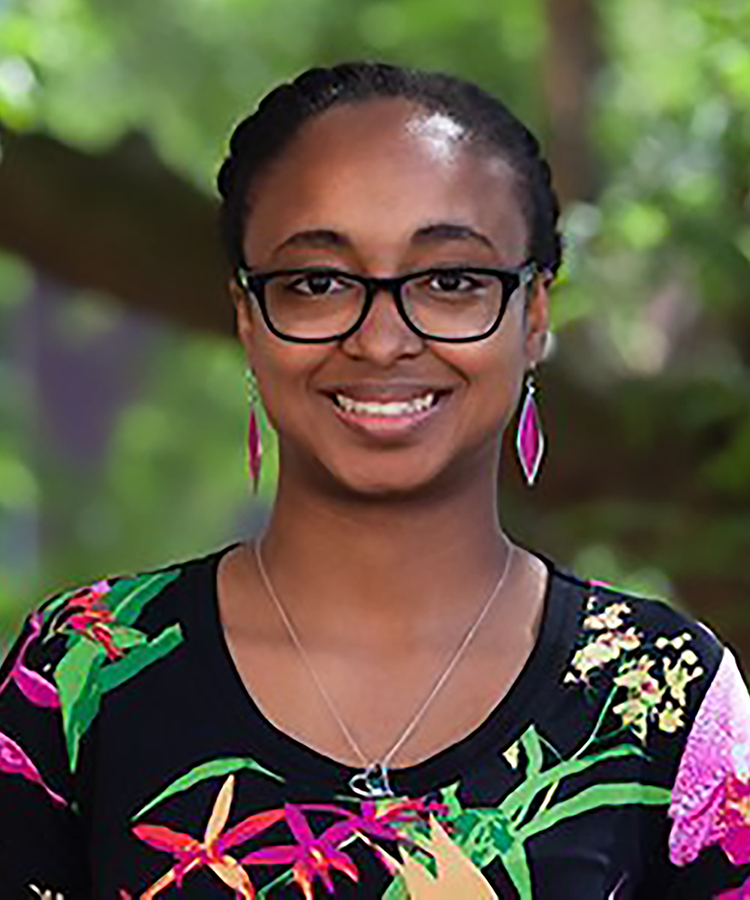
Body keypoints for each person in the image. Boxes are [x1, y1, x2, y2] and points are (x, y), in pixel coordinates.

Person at [0, 61, 748, 900]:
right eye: (317, 283)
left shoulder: (663, 691)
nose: (382, 340)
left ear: (534, 315)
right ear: (247, 317)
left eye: (452, 281)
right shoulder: (86, 672)